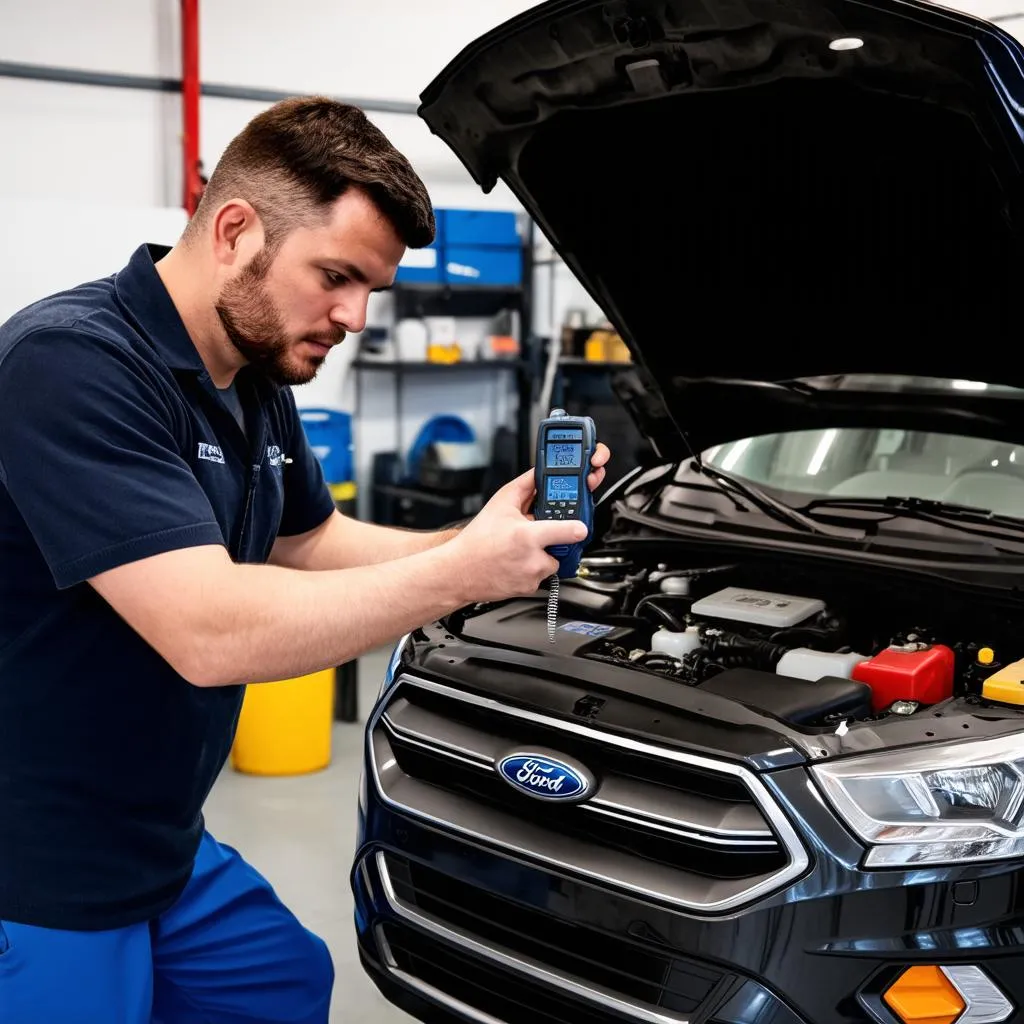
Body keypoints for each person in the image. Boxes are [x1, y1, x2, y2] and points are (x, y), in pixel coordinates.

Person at [0, 96, 610, 1023]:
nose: (355, 317)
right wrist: (461, 577)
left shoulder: (252, 371)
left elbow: (308, 539)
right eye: (336, 275)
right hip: (37, 854)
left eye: (371, 289)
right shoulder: (69, 366)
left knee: (279, 981)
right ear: (237, 229)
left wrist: (481, 537)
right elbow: (210, 633)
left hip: (156, 832)